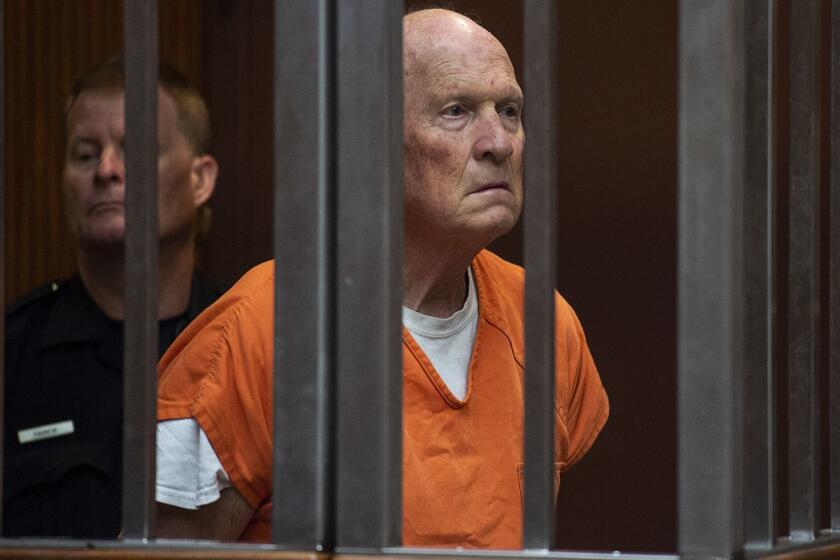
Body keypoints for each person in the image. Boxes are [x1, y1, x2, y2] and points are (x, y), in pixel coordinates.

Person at [153, 8, 609, 548]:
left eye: (509, 111)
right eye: (457, 111)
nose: (499, 143)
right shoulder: (255, 331)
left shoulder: (544, 322)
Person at [3, 55, 220, 539]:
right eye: (84, 154)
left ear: (199, 179)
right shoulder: (12, 351)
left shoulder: (245, 342)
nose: (106, 170)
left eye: (134, 149)